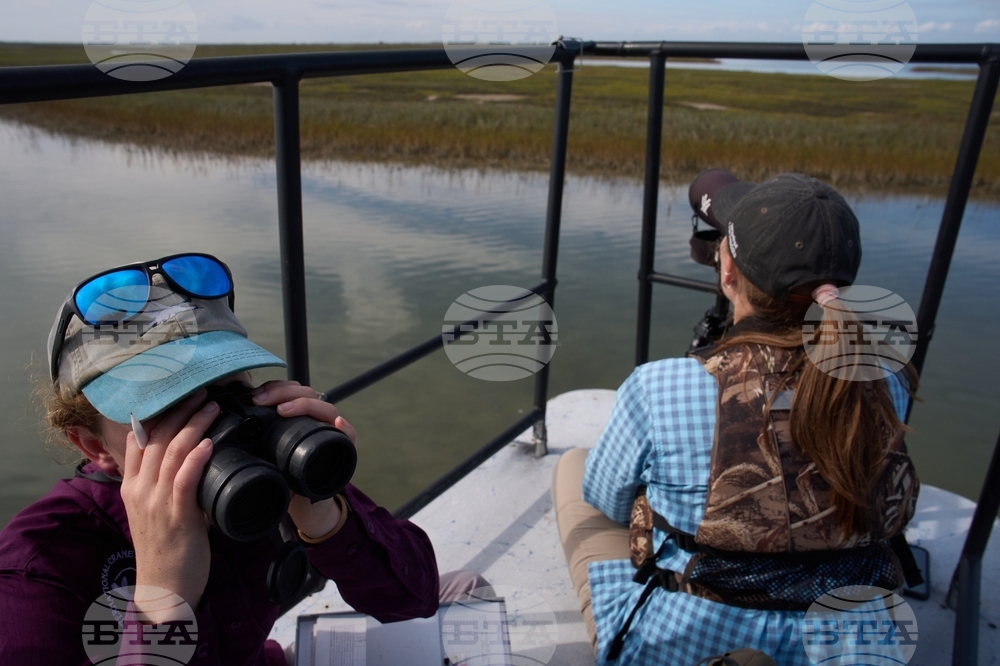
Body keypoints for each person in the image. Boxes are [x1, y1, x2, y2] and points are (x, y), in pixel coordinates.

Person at [0, 253, 483, 665]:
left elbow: (412, 599)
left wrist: (322, 512)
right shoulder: (37, 570)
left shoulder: (261, 469)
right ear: (94, 446)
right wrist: (161, 597)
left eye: (229, 390)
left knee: (467, 591)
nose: (215, 425)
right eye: (168, 409)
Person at [552, 173, 920, 665]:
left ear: (727, 271)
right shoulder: (885, 382)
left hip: (692, 637)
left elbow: (608, 499)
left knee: (575, 468)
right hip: (855, 647)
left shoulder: (659, 387)